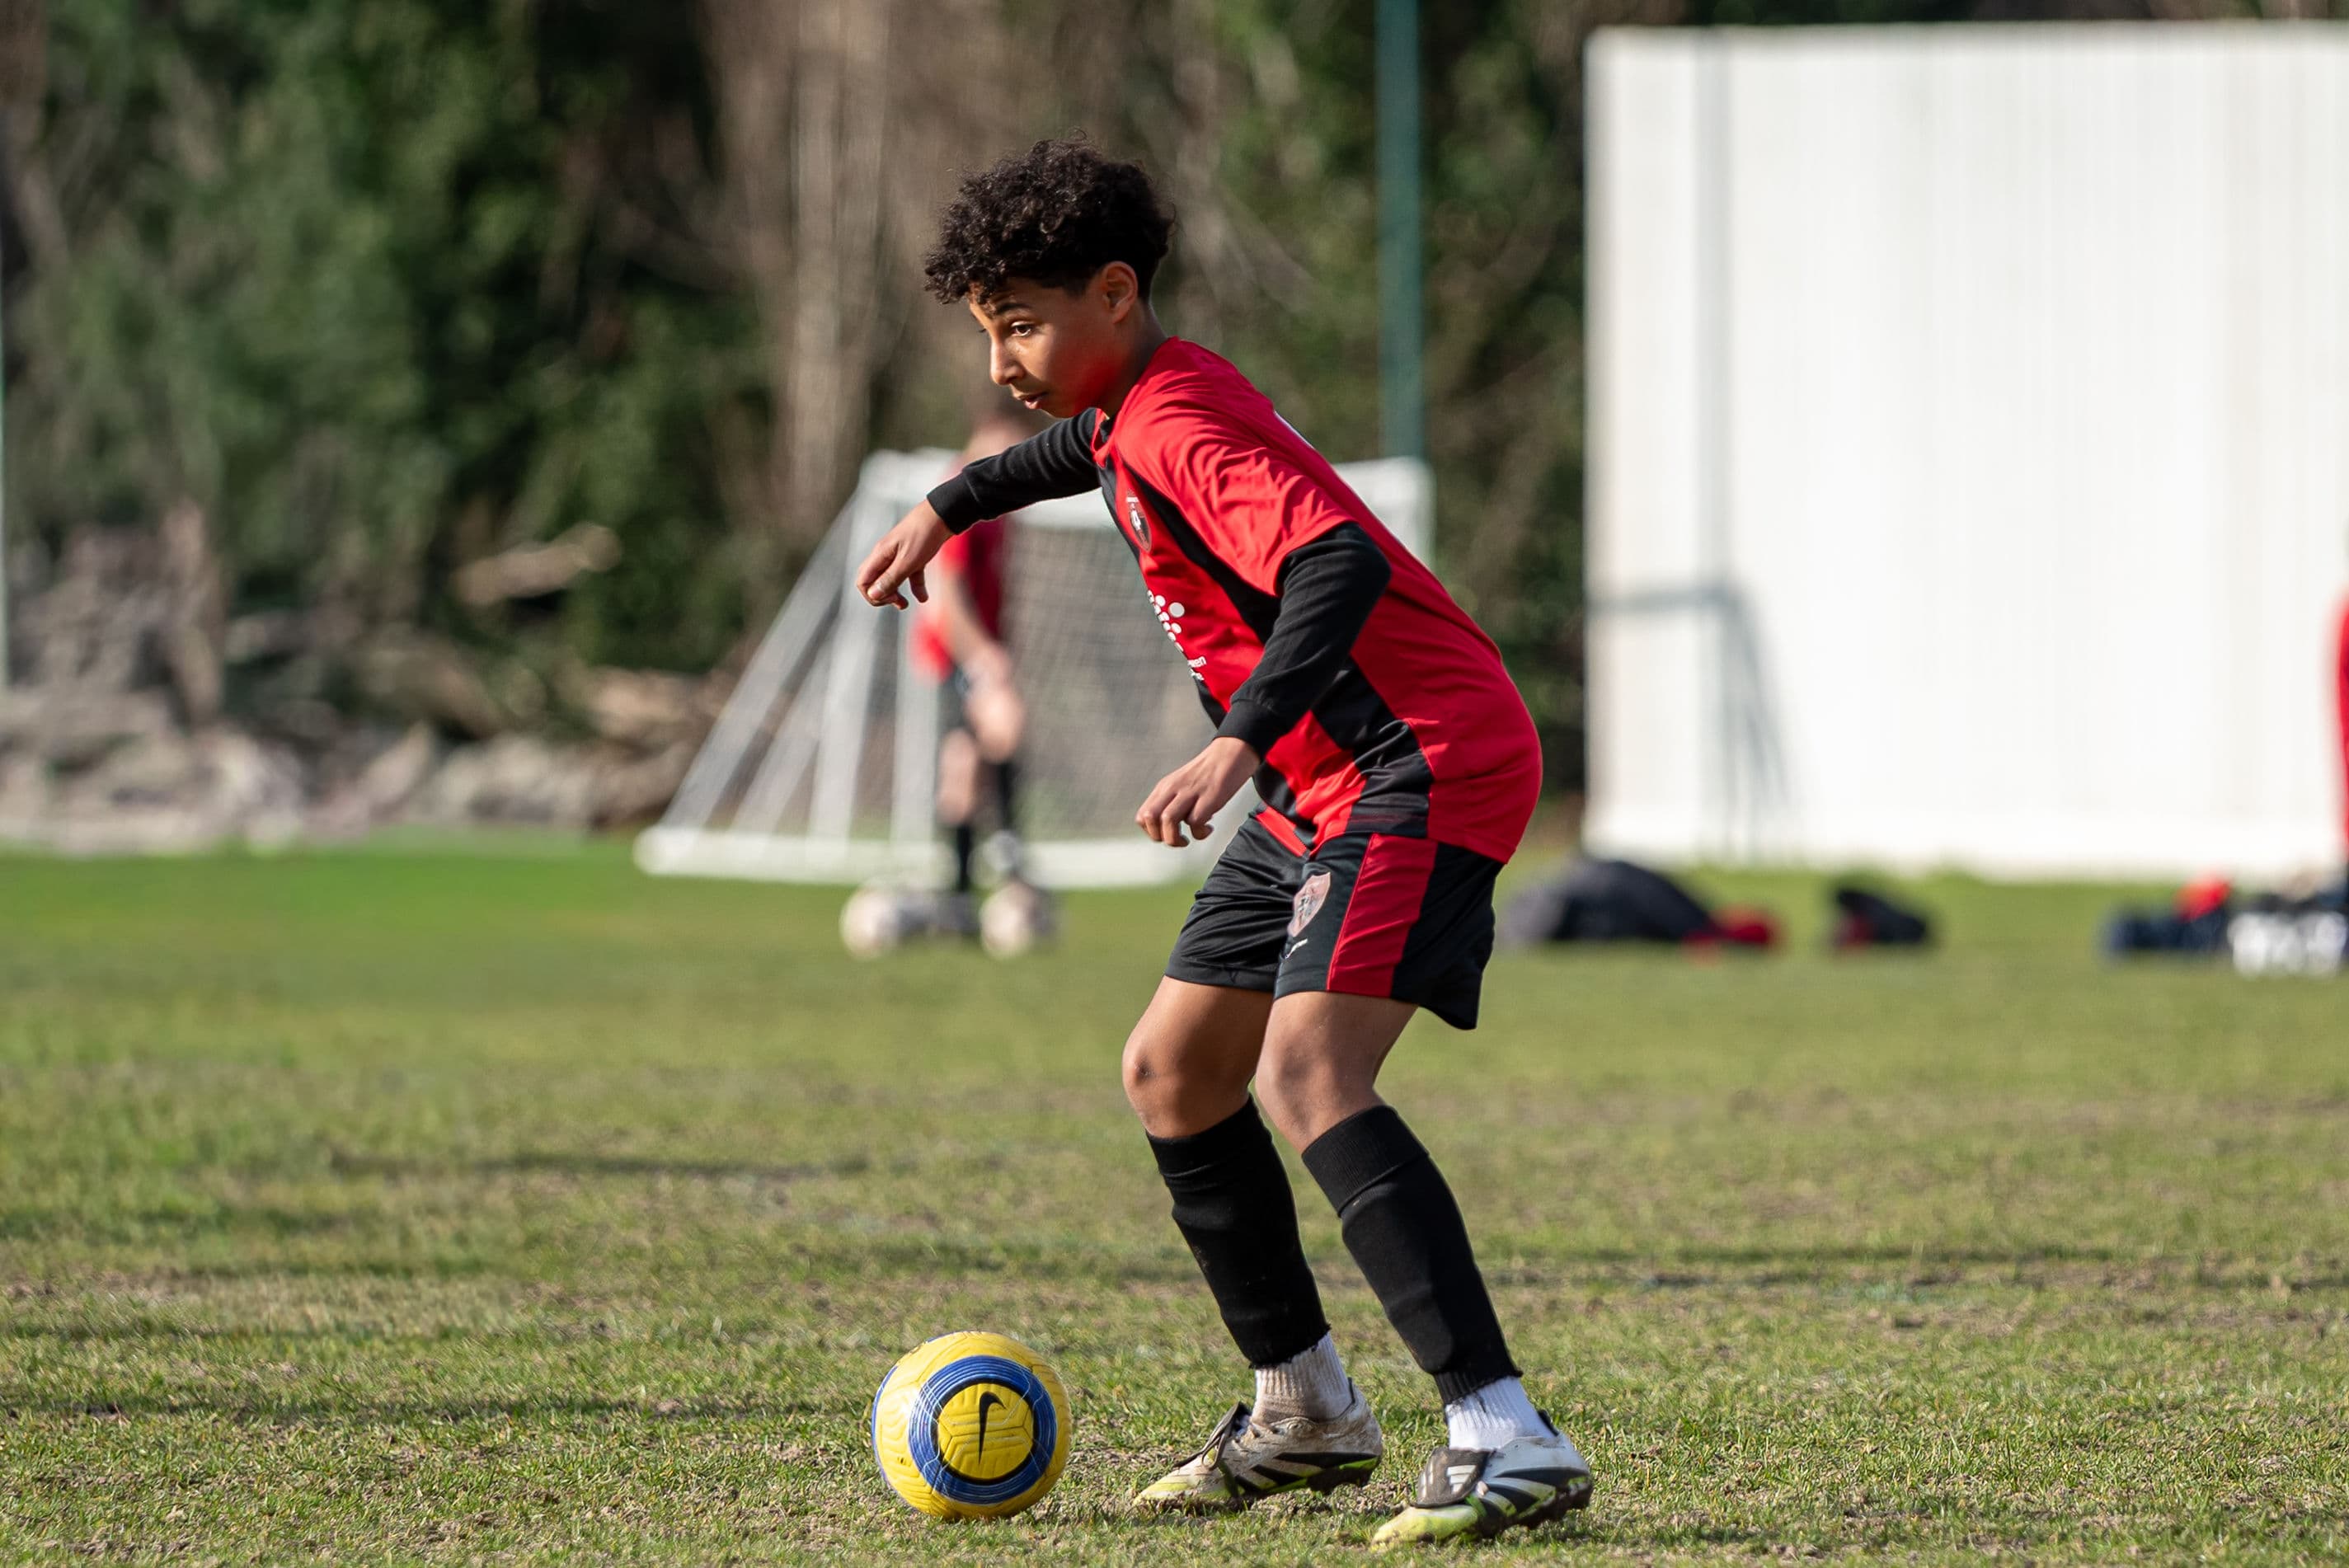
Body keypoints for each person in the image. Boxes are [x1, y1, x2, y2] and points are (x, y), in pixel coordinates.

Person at [856, 139, 1590, 1546]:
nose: (1001, 360)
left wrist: (1239, 736)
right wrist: (948, 504)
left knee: (1306, 1071)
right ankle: (1305, 1410)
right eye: (988, 330)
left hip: (1416, 758)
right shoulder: (1129, 409)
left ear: (1114, 292)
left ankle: (1507, 1432)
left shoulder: (1180, 422)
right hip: (1320, 781)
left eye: (1020, 323)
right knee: (1172, 1071)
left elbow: (1337, 559)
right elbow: (1067, 449)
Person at [908, 406, 1039, 924]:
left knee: (966, 763)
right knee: (1002, 730)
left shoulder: (999, 503)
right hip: (956, 651)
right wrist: (983, 656)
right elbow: (948, 600)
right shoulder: (960, 496)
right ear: (985, 438)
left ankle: (959, 893)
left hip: (971, 650)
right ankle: (1005, 857)